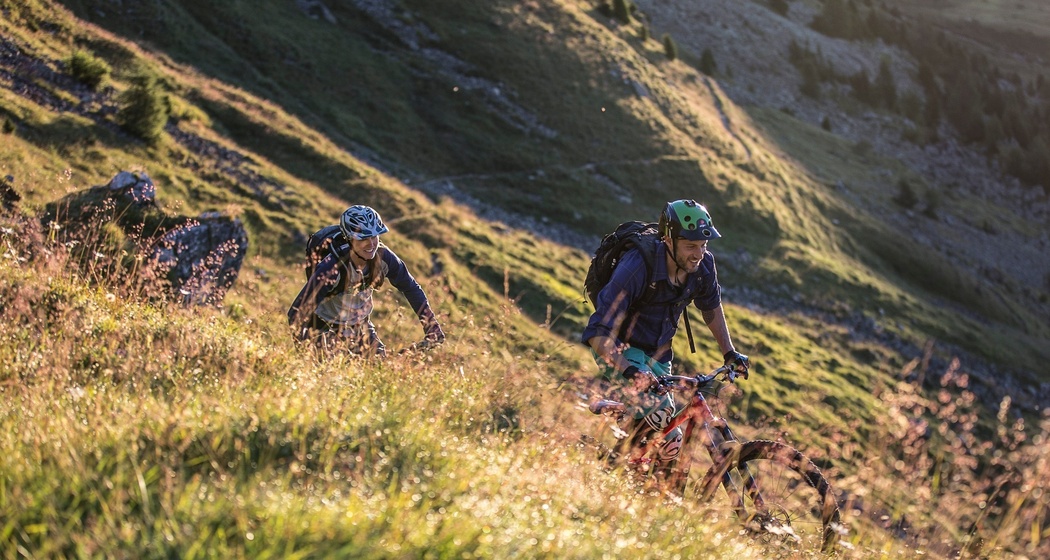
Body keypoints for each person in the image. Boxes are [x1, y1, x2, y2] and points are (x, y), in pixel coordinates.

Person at [581, 199, 750, 469]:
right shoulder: (637, 267)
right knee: (659, 415)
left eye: (704, 245)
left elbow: (711, 308)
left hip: (659, 354)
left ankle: (630, 474)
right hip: (618, 347)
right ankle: (615, 467)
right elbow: (598, 333)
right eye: (691, 246)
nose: (698, 254)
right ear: (668, 240)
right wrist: (630, 371)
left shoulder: (703, 265)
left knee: (669, 443)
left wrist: (729, 352)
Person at [288, 205, 444, 356]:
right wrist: (305, 353)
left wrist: (431, 326)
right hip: (321, 326)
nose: (371, 244)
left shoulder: (384, 258)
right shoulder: (331, 268)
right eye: (363, 238)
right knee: (335, 369)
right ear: (349, 239)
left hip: (359, 326)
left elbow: (411, 288)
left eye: (374, 236)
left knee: (380, 367)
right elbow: (295, 313)